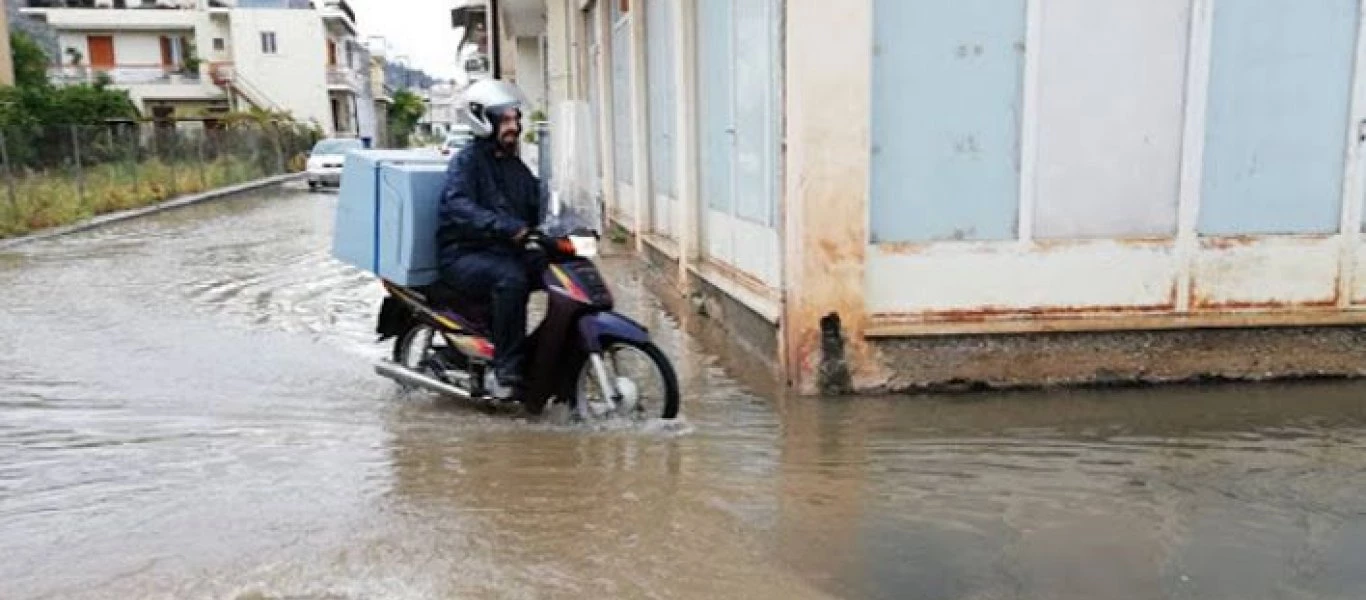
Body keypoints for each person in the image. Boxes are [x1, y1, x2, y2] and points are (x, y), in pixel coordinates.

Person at [436, 79, 543, 400]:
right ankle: (506, 368)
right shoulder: (467, 161)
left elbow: (536, 197)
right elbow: (457, 205)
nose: (514, 127)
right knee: (511, 278)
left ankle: (541, 354)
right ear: (486, 121)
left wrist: (566, 217)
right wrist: (507, 227)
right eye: (506, 120)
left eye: (516, 120)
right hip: (461, 255)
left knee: (547, 267)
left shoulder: (513, 164)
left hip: (497, 250)